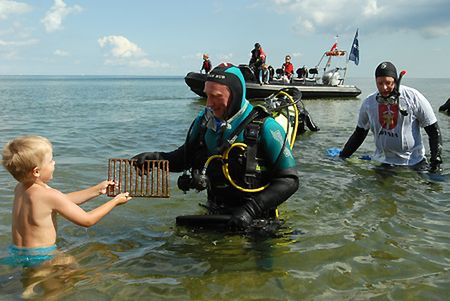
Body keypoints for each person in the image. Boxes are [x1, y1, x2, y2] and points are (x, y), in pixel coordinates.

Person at [132, 63, 299, 230]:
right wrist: (156, 158)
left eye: (216, 96)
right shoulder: (204, 122)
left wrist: (250, 210)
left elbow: (289, 181)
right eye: (207, 96)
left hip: (258, 220)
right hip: (216, 214)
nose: (209, 104)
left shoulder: (266, 127)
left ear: (235, 95)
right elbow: (185, 158)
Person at [1, 135, 132, 267]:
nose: (54, 163)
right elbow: (87, 220)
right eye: (50, 161)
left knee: (31, 281)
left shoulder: (20, 188)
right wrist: (115, 201)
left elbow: (64, 201)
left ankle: (29, 287)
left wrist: (97, 190)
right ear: (36, 171)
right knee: (74, 275)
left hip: (17, 253)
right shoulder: (50, 195)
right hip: (43, 256)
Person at [339, 61, 443, 173]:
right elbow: (359, 134)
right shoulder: (369, 103)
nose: (384, 88)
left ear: (396, 81)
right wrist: (342, 157)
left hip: (414, 162)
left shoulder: (414, 98)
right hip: (383, 162)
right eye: (380, 83)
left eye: (388, 83)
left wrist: (435, 163)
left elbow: (434, 132)